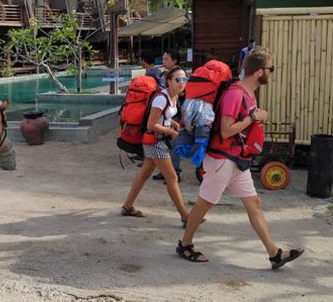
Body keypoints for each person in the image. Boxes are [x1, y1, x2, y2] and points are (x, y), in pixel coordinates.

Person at [177, 46, 305, 269]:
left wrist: (254, 118)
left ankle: (275, 254)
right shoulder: (235, 94)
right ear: (259, 71)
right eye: (270, 69)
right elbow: (226, 130)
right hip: (222, 159)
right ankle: (185, 244)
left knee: (253, 203)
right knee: (204, 203)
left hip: (237, 159)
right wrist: (254, 117)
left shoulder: (247, 93)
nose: (271, 73)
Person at [120, 67, 194, 227]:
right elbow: (151, 124)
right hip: (155, 142)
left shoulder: (173, 97)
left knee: (144, 174)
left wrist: (171, 123)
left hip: (156, 140)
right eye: (178, 80)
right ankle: (185, 216)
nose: (182, 83)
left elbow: (162, 118)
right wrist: (171, 131)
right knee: (172, 178)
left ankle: (127, 206)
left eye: (184, 80)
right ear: (169, 81)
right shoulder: (161, 98)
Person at [153, 50, 185, 182]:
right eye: (163, 59)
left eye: (166, 59)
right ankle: (167, 172)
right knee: (166, 147)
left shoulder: (178, 78)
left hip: (173, 116)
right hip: (167, 118)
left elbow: (182, 102)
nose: (163, 61)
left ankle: (174, 171)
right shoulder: (165, 76)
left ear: (174, 61)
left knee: (173, 146)